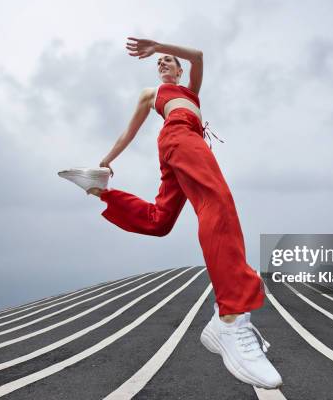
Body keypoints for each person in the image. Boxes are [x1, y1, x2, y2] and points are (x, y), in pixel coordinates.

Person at [58, 37, 283, 389]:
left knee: (160, 221)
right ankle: (230, 317)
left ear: (179, 69)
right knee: (218, 205)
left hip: (183, 144)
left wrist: (159, 45)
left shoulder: (192, 90)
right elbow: (128, 131)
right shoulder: (152, 94)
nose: (162, 64)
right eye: (158, 62)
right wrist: (107, 159)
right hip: (178, 140)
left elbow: (199, 55)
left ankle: (100, 191)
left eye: (168, 62)